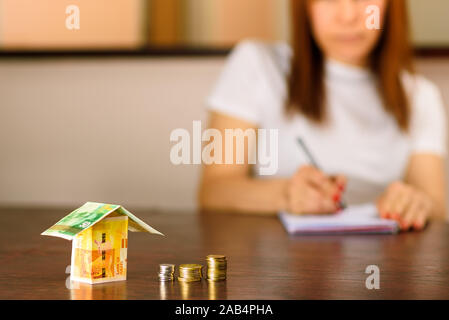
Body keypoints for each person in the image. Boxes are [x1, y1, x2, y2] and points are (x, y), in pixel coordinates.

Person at [198, 0, 447, 231]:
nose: (348, 15)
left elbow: (435, 208)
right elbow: (213, 191)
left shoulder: (420, 96)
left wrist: (416, 203)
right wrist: (285, 195)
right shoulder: (256, 64)